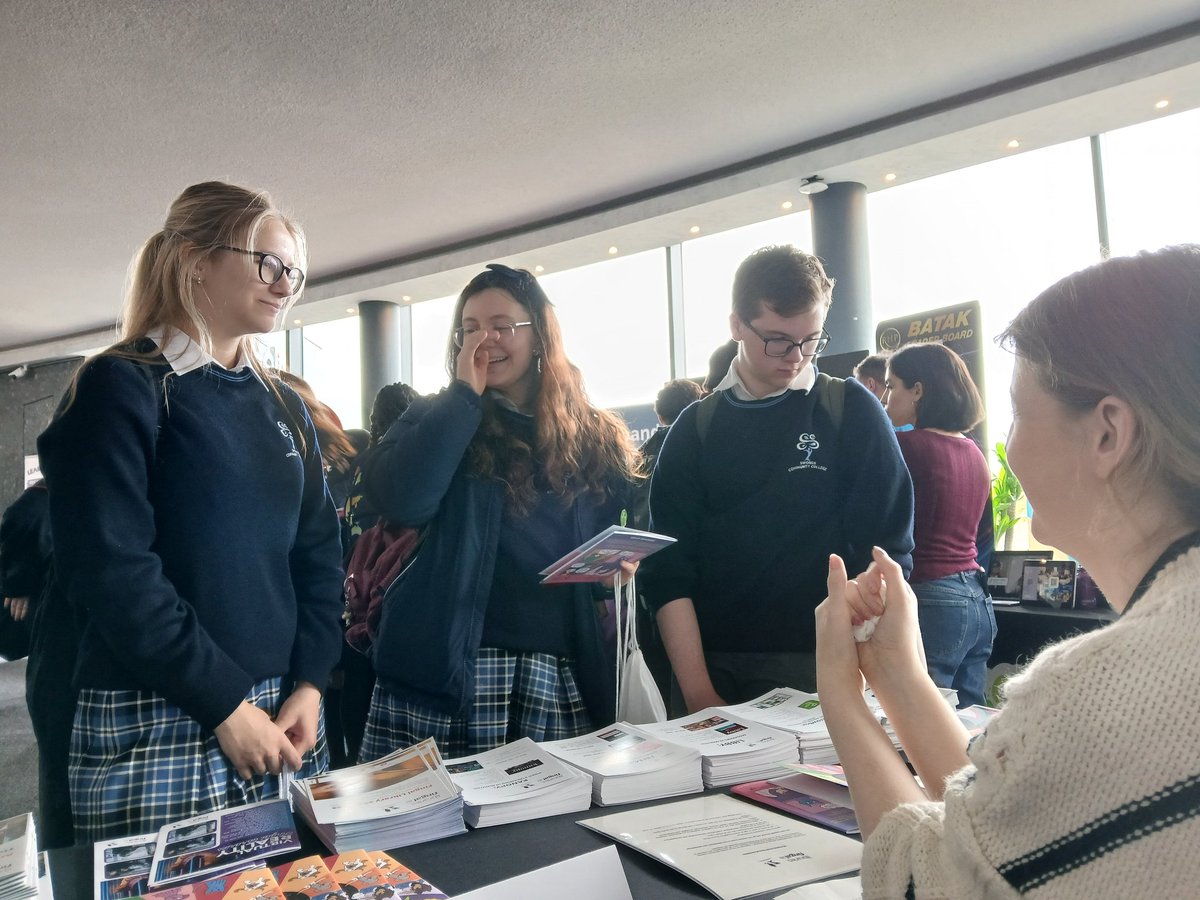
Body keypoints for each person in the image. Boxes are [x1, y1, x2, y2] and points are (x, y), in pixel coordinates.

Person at [815, 245, 1200, 897]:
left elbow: (928, 883)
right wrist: (898, 674)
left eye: (1020, 411)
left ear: (1108, 433)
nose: (1009, 445)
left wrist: (841, 694)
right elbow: (1003, 824)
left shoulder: (1103, 690)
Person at [36, 181, 344, 842]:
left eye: (294, 270)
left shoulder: (284, 404)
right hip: (161, 713)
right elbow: (114, 572)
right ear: (195, 259)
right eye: (268, 263)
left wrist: (312, 683)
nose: (284, 284)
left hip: (278, 714)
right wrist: (223, 704)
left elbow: (318, 553)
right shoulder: (122, 384)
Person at [358, 263, 640, 759]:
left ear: (539, 336)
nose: (483, 341)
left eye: (501, 326)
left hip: (556, 668)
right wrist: (464, 397)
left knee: (547, 829)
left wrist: (610, 575)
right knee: (429, 829)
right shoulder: (434, 415)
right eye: (468, 330)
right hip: (447, 665)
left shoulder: (592, 434)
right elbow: (402, 501)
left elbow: (609, 536)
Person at [643, 245, 914, 712]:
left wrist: (870, 593)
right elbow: (668, 573)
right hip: (711, 665)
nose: (796, 356)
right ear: (736, 326)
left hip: (825, 662)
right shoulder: (694, 429)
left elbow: (891, 548)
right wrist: (698, 695)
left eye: (810, 340)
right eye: (777, 339)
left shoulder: (849, 410)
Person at [882, 341, 993, 707]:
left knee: (917, 726)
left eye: (892, 385)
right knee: (970, 727)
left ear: (918, 390)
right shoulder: (974, 452)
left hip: (932, 599)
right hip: (976, 599)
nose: (885, 398)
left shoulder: (907, 446)